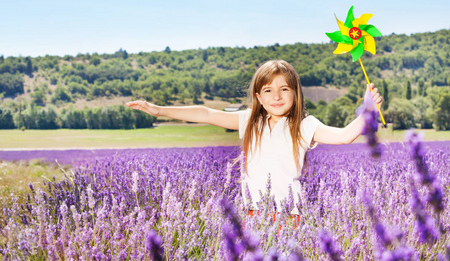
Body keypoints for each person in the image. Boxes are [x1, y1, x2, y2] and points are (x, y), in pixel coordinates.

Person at [126, 60, 382, 217]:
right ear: (258, 96)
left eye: (284, 89)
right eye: (268, 90)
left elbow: (345, 136)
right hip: (253, 214)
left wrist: (368, 110)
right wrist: (159, 110)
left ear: (296, 94)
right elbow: (206, 113)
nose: (277, 96)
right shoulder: (250, 121)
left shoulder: (304, 125)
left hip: (289, 216)